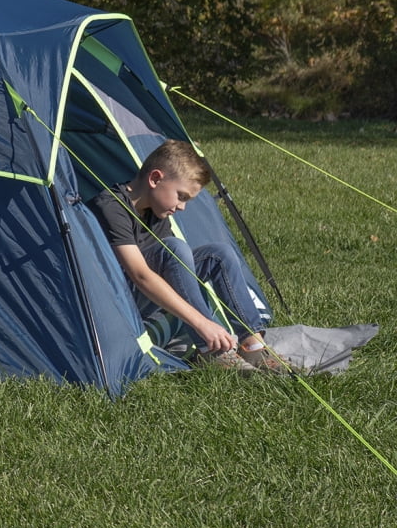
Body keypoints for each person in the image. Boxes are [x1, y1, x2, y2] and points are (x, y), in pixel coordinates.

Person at [90, 138, 289, 370]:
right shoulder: (111, 206)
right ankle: (210, 349)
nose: (182, 207)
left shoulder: (154, 210)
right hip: (119, 299)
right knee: (174, 248)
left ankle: (253, 346)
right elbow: (140, 275)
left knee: (219, 255)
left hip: (150, 295)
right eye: (181, 196)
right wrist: (202, 323)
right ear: (155, 179)